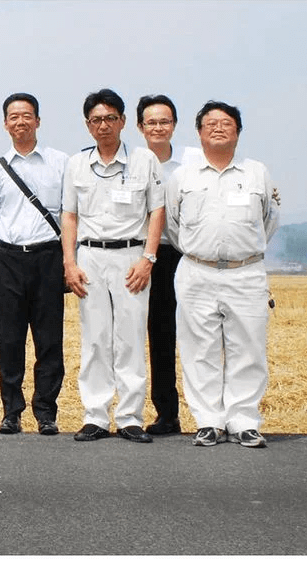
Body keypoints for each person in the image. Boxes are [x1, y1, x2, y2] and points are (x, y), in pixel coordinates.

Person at [166, 101, 279, 448]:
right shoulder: (183, 176)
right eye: (210, 123)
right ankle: (208, 421)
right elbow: (173, 224)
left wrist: (242, 252)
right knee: (199, 349)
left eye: (226, 123)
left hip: (246, 272)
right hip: (196, 271)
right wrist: (201, 250)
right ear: (199, 132)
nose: (218, 128)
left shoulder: (256, 172)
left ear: (238, 132)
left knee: (248, 347)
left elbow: (269, 220)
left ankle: (244, 420)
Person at [62, 88, 164, 444]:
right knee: (95, 339)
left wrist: (148, 259)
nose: (103, 125)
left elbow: (157, 211)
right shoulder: (76, 164)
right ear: (87, 125)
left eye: (109, 118)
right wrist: (70, 262)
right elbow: (69, 215)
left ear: (122, 121)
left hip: (131, 258)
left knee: (130, 338)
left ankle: (130, 417)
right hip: (90, 257)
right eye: (96, 120)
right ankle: (95, 416)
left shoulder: (144, 161)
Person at [0, 93, 68, 436]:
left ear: (38, 121)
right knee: (10, 340)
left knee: (49, 339)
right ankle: (11, 412)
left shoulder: (60, 162)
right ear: (5, 124)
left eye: (27, 115)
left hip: (48, 257)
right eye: (14, 117)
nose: (20, 121)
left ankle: (46, 412)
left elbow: (70, 214)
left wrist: (69, 260)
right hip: (9, 259)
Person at [135, 94, 202, 436]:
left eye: (165, 121)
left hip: (189, 255)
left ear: (175, 125)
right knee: (160, 335)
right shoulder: (133, 162)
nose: (158, 127)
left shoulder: (195, 160)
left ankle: (209, 415)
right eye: (151, 122)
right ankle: (167, 414)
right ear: (140, 127)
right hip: (150, 257)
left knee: (200, 334)